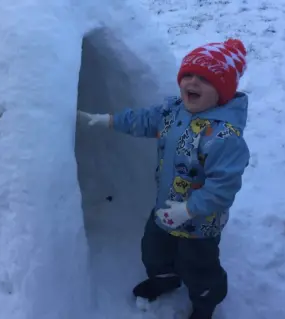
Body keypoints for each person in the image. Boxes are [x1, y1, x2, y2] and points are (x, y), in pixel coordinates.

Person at [78, 38, 250, 319]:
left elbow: (223, 188)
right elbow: (145, 120)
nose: (192, 83)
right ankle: (164, 277)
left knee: (199, 267)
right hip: (165, 208)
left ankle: (205, 301)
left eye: (205, 79)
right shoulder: (174, 111)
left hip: (200, 224)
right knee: (154, 250)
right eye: (188, 75)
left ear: (222, 91)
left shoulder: (225, 138)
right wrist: (108, 120)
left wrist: (189, 210)